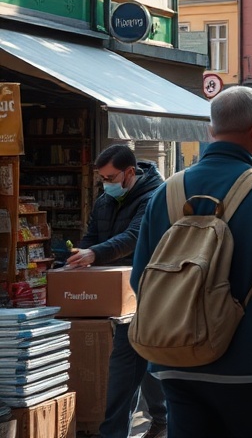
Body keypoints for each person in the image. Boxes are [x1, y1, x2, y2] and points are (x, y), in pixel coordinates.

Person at [131, 86, 252, 437]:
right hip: (248, 365)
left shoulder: (166, 192)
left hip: (175, 364)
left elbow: (140, 277)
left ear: (210, 131)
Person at [67, 145, 167, 438]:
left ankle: (113, 432)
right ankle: (163, 418)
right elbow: (90, 237)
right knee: (143, 360)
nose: (106, 184)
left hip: (147, 292)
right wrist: (74, 258)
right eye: (102, 179)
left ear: (130, 173)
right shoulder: (104, 201)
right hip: (112, 294)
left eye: (110, 178)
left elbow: (133, 237)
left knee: (126, 363)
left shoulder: (154, 198)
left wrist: (94, 254)